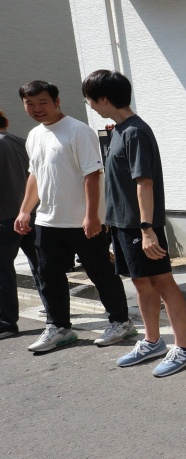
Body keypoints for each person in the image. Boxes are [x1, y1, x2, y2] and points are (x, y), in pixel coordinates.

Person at [82, 70, 186, 377]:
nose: (89, 104)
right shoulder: (119, 130)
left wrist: (147, 229)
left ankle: (184, 348)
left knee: (163, 282)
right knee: (141, 282)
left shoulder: (135, 132)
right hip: (124, 224)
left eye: (89, 99)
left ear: (103, 99)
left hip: (141, 227)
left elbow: (144, 183)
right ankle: (152, 341)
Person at [14, 80, 135, 353]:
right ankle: (59, 327)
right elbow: (35, 175)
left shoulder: (78, 131)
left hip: (83, 220)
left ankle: (121, 322)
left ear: (57, 102)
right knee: (48, 276)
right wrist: (25, 210)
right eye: (30, 104)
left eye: (43, 102)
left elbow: (92, 174)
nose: (36, 108)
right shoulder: (34, 135)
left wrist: (92, 216)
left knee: (100, 273)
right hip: (47, 219)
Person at [0, 108, 45, 338]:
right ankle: (55, 311)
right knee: (40, 264)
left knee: (3, 270)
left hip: (4, 216)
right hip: (31, 212)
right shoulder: (22, 142)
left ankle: (6, 322)